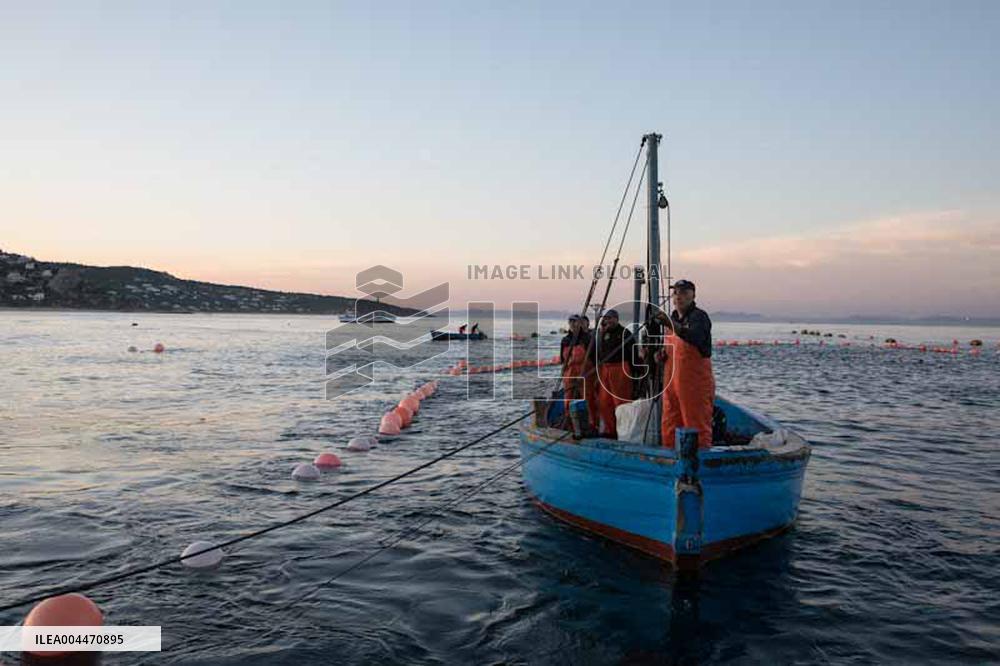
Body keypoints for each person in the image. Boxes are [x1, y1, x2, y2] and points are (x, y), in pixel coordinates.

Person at [657, 279, 715, 448]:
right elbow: (669, 348)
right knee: (669, 422)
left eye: (683, 293)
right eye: (675, 293)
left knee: (696, 422)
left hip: (694, 383)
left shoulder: (699, 317)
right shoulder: (672, 319)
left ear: (693, 295)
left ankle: (700, 461)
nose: (678, 297)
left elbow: (694, 337)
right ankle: (670, 457)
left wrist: (671, 325)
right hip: (671, 382)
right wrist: (660, 355)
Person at [591, 309, 636, 438]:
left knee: (621, 403)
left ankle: (623, 432)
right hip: (605, 369)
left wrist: (635, 373)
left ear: (617, 319)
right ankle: (610, 431)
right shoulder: (601, 334)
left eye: (610, 318)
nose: (608, 321)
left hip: (620, 368)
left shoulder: (625, 333)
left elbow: (632, 354)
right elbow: (595, 352)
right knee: (604, 402)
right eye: (606, 318)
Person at [560, 315, 591, 425]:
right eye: (571, 321)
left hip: (585, 371)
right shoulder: (565, 340)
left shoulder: (587, 338)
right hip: (569, 372)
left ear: (580, 324)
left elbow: (594, 356)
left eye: (575, 321)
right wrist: (563, 371)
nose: (573, 324)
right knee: (568, 397)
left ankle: (591, 422)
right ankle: (569, 421)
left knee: (588, 397)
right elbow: (562, 359)